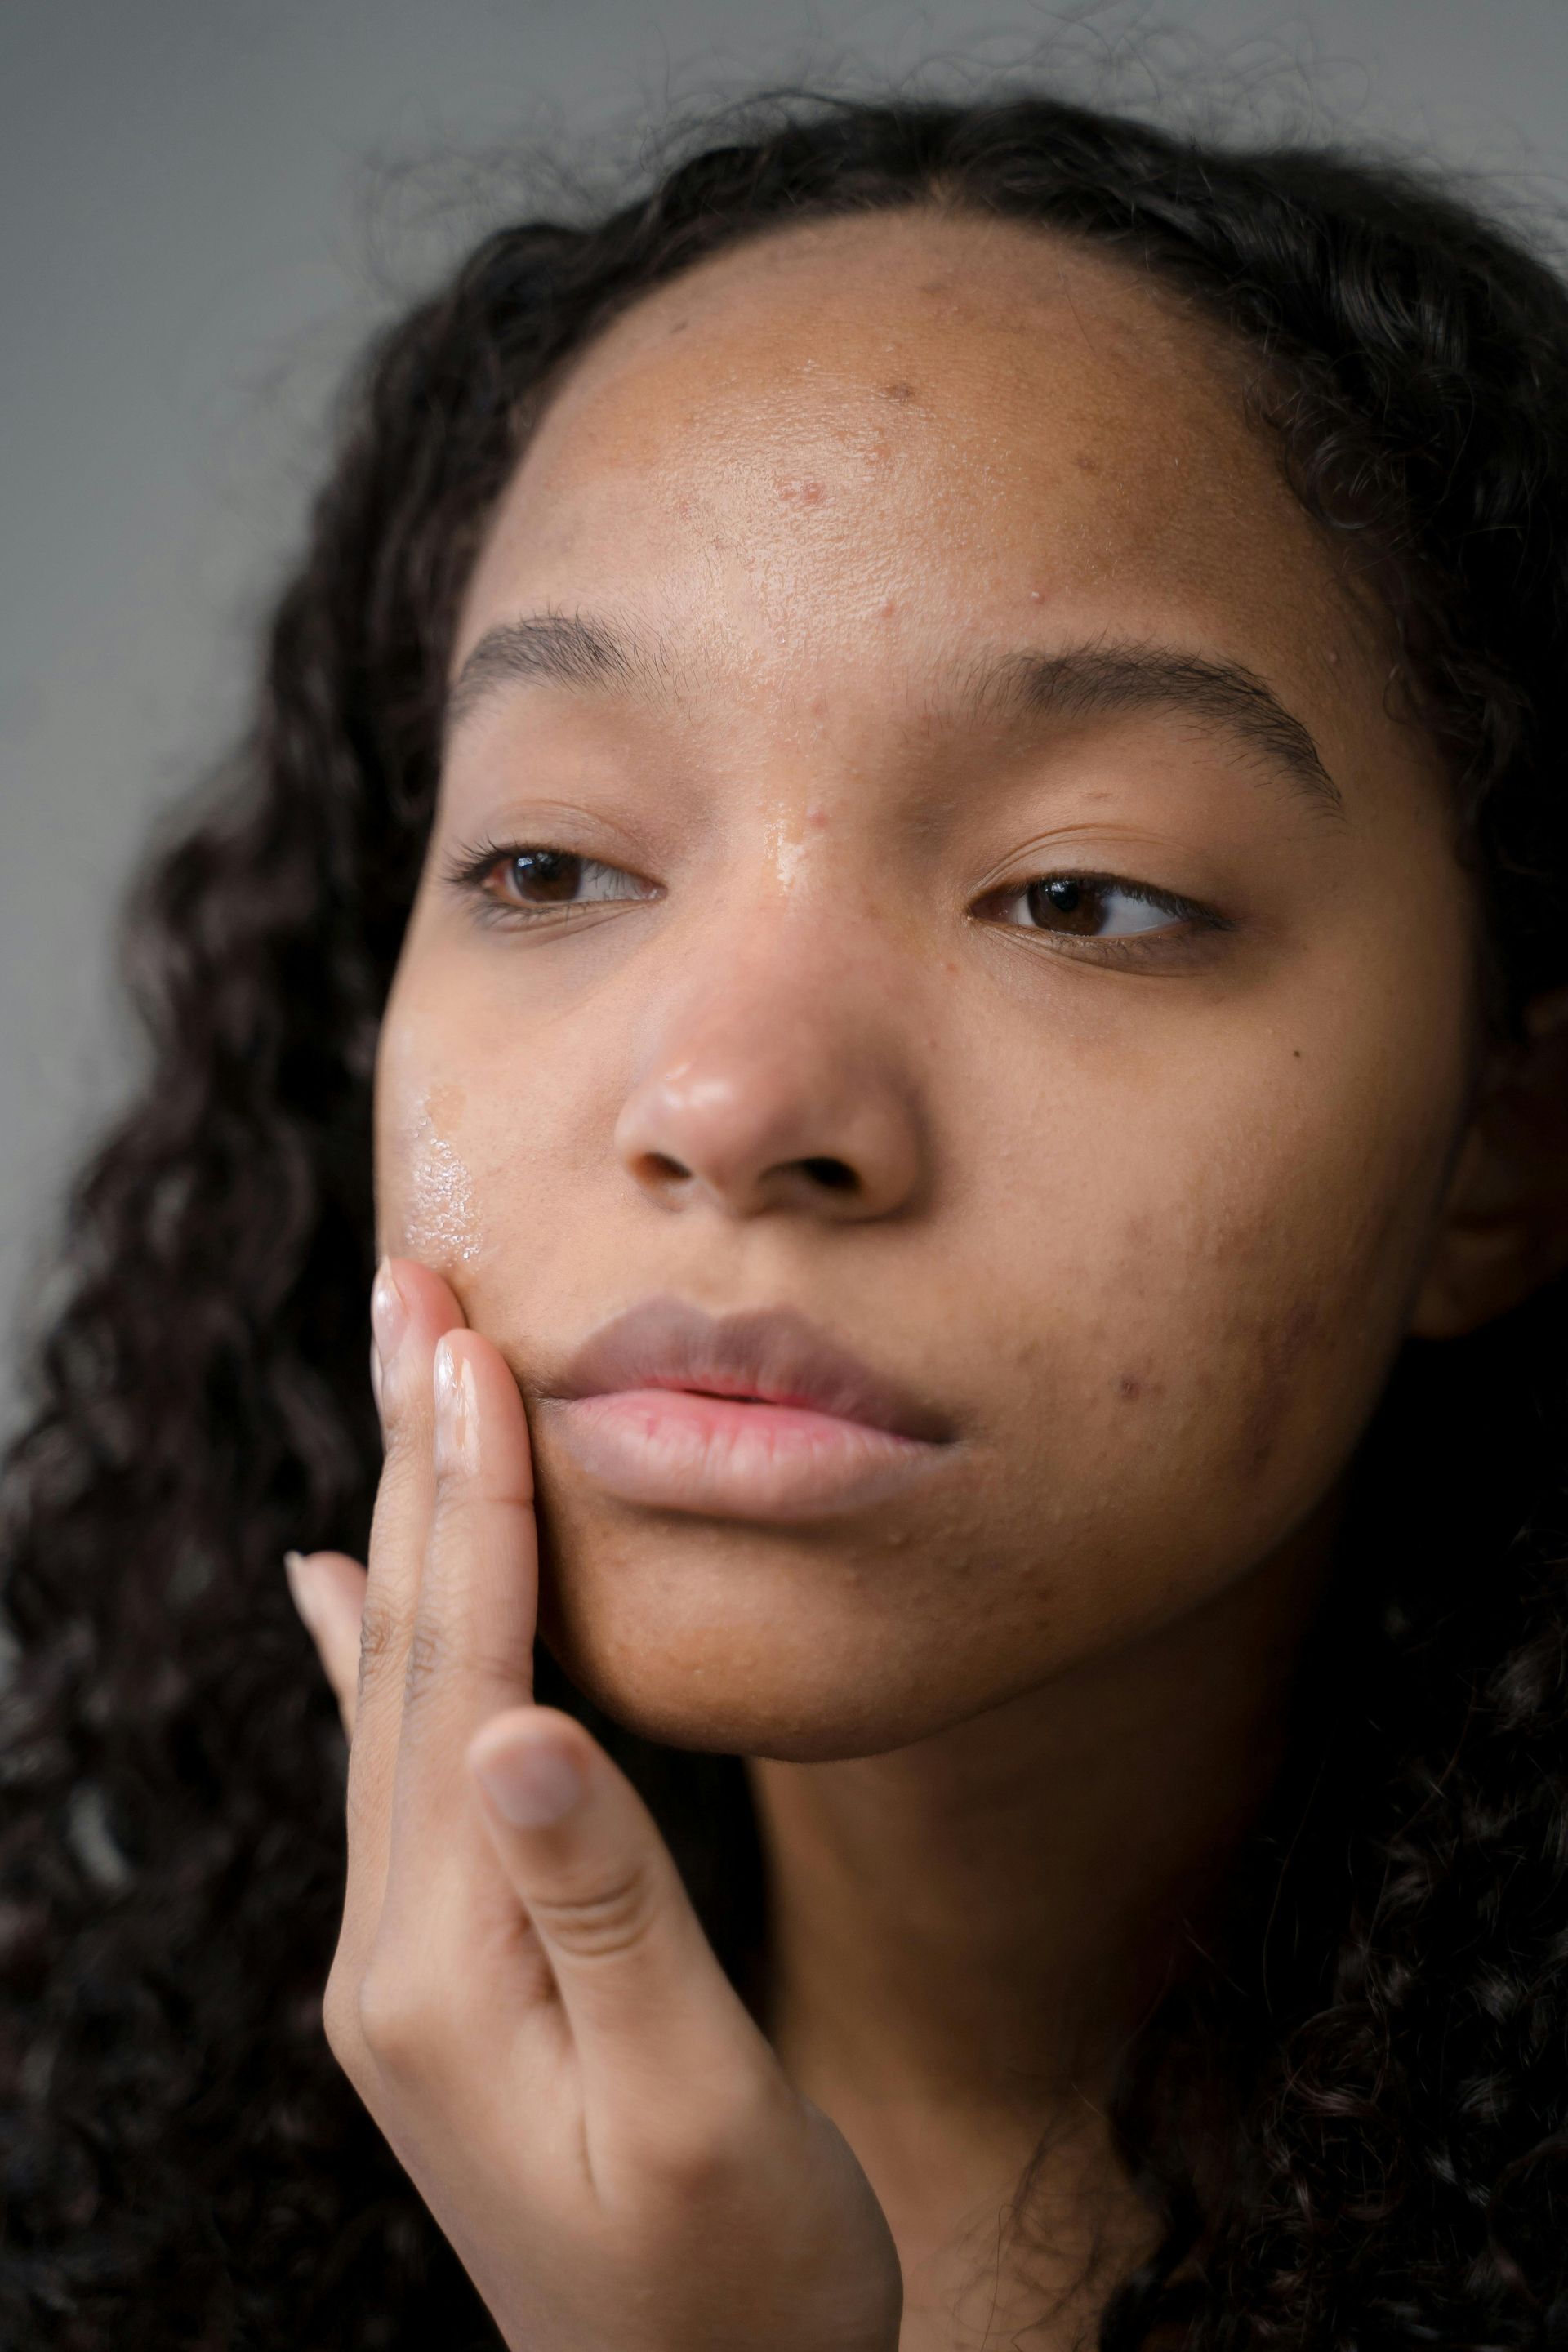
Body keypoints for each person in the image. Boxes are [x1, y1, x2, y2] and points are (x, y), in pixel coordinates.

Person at [4, 85, 1568, 2352]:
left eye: (1082, 893)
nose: (732, 1105)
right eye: (551, 865)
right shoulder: (99, 2207)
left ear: (1509, 1145)